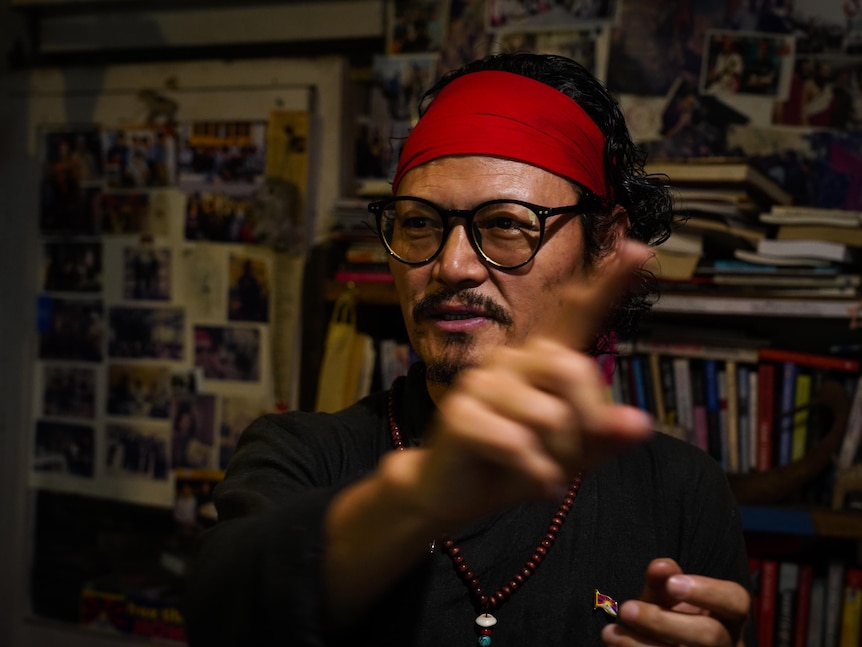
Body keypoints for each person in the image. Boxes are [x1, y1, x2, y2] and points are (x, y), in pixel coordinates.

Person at [183, 53, 752, 647]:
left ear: (604, 244)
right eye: (419, 223)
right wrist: (423, 495)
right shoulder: (307, 454)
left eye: (507, 223)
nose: (451, 265)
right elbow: (223, 608)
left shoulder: (680, 492)